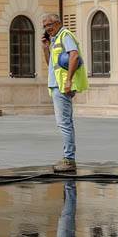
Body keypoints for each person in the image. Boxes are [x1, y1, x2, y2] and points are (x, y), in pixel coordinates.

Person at [41, 13, 88, 172]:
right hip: (56, 85)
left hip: (62, 86)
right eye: (45, 26)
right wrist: (46, 48)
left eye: (50, 25)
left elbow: (74, 56)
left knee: (64, 123)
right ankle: (68, 157)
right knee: (65, 122)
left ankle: (69, 159)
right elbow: (51, 65)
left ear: (58, 23)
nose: (48, 29)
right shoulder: (55, 40)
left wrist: (68, 81)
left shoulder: (65, 35)